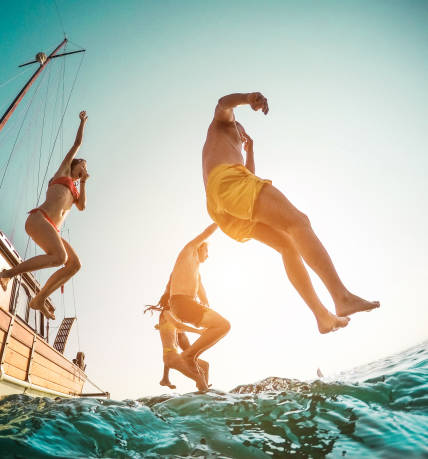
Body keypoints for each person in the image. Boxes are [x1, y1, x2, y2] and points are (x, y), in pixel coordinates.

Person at [202, 92, 379, 333]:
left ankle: (322, 317)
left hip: (223, 206)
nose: (240, 130)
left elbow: (249, 179)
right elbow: (223, 103)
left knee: (287, 245)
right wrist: (249, 97)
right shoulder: (222, 122)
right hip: (226, 184)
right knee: (298, 222)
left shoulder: (231, 148)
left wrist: (250, 150)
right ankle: (342, 297)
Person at [0, 111, 89, 320]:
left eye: (85, 167)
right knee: (60, 257)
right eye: (82, 166)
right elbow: (76, 144)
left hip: (52, 229)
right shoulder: (64, 172)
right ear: (74, 166)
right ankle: (7, 274)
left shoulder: (76, 191)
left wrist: (83, 182)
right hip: (39, 219)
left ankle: (39, 299)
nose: (84, 168)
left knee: (74, 264)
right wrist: (82, 122)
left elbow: (82, 206)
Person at [168, 224, 231, 371]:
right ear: (200, 247)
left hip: (185, 305)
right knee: (224, 325)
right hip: (181, 302)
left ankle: (191, 357)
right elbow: (207, 232)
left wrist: (205, 301)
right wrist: (220, 220)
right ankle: (189, 355)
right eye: (207, 251)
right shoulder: (189, 251)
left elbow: (202, 293)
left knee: (220, 327)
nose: (208, 256)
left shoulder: (197, 272)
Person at [145, 285, 210, 391]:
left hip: (176, 356)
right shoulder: (166, 313)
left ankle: (203, 389)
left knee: (205, 366)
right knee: (199, 377)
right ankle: (203, 388)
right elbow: (179, 326)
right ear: (170, 301)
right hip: (171, 357)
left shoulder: (170, 317)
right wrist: (198, 331)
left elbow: (178, 330)